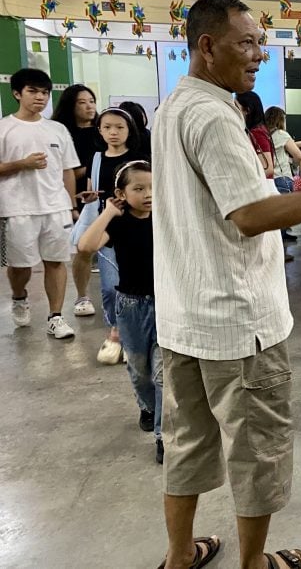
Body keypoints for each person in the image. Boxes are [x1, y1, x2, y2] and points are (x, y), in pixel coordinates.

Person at [152, 0, 301, 569]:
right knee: (257, 451)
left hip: (185, 317)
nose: (259, 54)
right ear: (207, 46)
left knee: (187, 443)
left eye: (260, 42)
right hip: (237, 322)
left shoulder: (173, 106)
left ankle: (180, 555)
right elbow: (250, 215)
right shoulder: (213, 116)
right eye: (246, 43)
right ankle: (253, 564)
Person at [78, 160, 163, 463]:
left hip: (165, 304)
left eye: (152, 187)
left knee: (163, 374)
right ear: (121, 194)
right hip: (130, 307)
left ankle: (163, 435)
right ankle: (147, 407)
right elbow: (86, 247)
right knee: (140, 370)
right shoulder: (119, 223)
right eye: (139, 188)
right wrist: (108, 212)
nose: (148, 194)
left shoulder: (164, 217)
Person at [0, 68, 79, 339]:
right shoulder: (4, 128)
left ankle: (56, 316)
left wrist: (71, 205)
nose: (40, 98)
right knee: (20, 266)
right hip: (17, 208)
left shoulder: (57, 129)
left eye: (44, 92)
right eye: (32, 91)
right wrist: (21, 164)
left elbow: (68, 170)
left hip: (56, 207)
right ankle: (19, 296)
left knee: (56, 261)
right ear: (17, 93)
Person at [73, 107, 147, 365]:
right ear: (100, 131)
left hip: (137, 227)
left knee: (138, 284)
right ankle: (116, 332)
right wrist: (89, 199)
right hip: (107, 226)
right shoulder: (95, 159)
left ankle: (131, 335)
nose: (113, 132)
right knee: (109, 286)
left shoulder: (140, 160)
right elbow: (93, 189)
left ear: (129, 130)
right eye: (107, 127)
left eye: (119, 127)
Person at [51, 83, 99, 318]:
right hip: (78, 196)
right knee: (83, 249)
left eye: (92, 101)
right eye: (82, 102)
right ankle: (82, 296)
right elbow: (64, 171)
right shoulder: (63, 134)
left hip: (106, 195)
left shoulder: (102, 130)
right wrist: (91, 168)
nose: (89, 106)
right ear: (71, 106)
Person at [265, 106, 301, 246]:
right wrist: (294, 164)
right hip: (283, 178)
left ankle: (282, 238)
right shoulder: (281, 134)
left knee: (275, 214)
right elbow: (298, 155)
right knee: (283, 213)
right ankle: (282, 248)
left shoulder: (263, 134)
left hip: (269, 179)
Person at [236, 91, 274, 180]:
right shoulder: (258, 130)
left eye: (236, 107)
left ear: (247, 110)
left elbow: (268, 169)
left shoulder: (257, 132)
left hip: (260, 185)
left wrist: (245, 179)